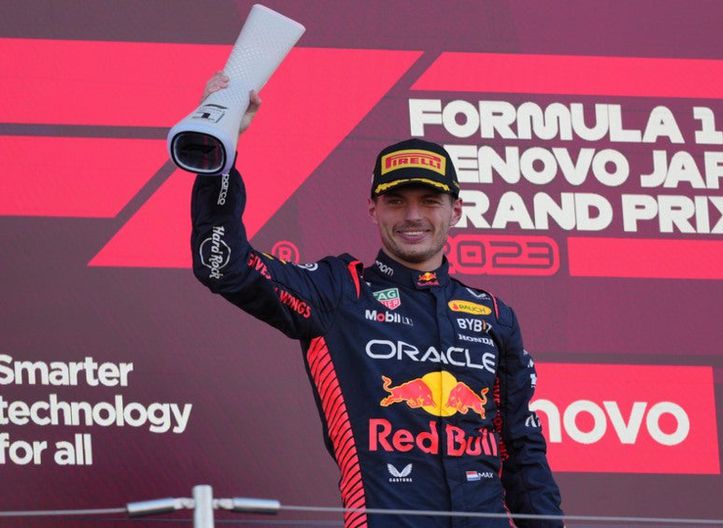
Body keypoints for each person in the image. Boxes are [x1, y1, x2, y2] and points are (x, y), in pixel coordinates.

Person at [191, 72, 564, 528]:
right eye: (396, 201)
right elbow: (224, 266)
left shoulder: (494, 315)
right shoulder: (338, 292)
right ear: (373, 209)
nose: (413, 215)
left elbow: (522, 449)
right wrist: (218, 150)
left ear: (456, 210)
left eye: (430, 200)